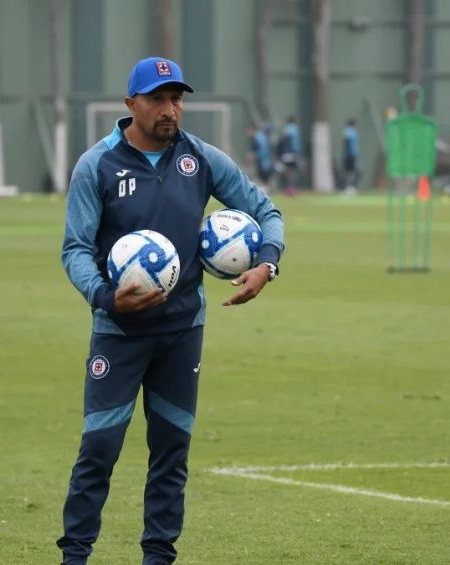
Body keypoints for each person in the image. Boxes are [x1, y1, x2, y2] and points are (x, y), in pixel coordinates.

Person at [57, 56, 284, 565]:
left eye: (177, 98)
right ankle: (75, 556)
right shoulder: (98, 165)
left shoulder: (199, 159)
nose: (170, 109)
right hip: (118, 331)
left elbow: (266, 210)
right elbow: (74, 248)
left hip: (182, 330)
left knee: (171, 453)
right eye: (157, 98)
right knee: (99, 450)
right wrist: (104, 296)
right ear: (130, 103)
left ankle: (158, 557)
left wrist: (266, 263)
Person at [277, 115, 303, 196]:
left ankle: (288, 188)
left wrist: (281, 152)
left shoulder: (287, 129)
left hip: (286, 154)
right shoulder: (294, 129)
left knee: (288, 171)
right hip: (293, 153)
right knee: (293, 172)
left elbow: (283, 141)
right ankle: (291, 189)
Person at [341, 117, 361, 195]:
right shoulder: (349, 131)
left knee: (355, 171)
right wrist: (347, 154)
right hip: (351, 155)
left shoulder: (352, 131)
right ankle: (349, 187)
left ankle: (351, 187)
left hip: (353, 154)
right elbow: (347, 143)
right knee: (351, 171)